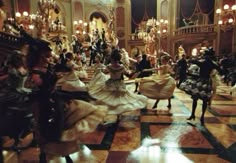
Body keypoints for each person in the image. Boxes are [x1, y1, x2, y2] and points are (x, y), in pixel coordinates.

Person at [88, 49, 147, 124]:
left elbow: (104, 72)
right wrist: (136, 73)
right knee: (119, 100)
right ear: (119, 59)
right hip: (119, 85)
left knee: (108, 99)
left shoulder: (109, 66)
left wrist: (100, 71)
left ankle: (108, 114)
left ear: (112, 59)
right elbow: (129, 75)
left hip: (110, 84)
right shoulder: (121, 67)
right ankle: (118, 115)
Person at [179, 48, 221, 125]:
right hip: (207, 82)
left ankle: (193, 115)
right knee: (204, 100)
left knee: (195, 98)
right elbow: (219, 69)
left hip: (200, 81)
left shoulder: (203, 62)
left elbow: (193, 61)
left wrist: (191, 59)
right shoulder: (212, 63)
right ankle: (201, 117)